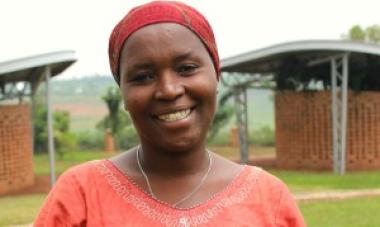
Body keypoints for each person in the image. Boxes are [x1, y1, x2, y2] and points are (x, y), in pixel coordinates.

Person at [34, 1, 306, 226]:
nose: (168, 90)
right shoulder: (81, 194)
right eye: (143, 76)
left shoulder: (269, 198)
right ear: (124, 93)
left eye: (186, 68)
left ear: (216, 75)